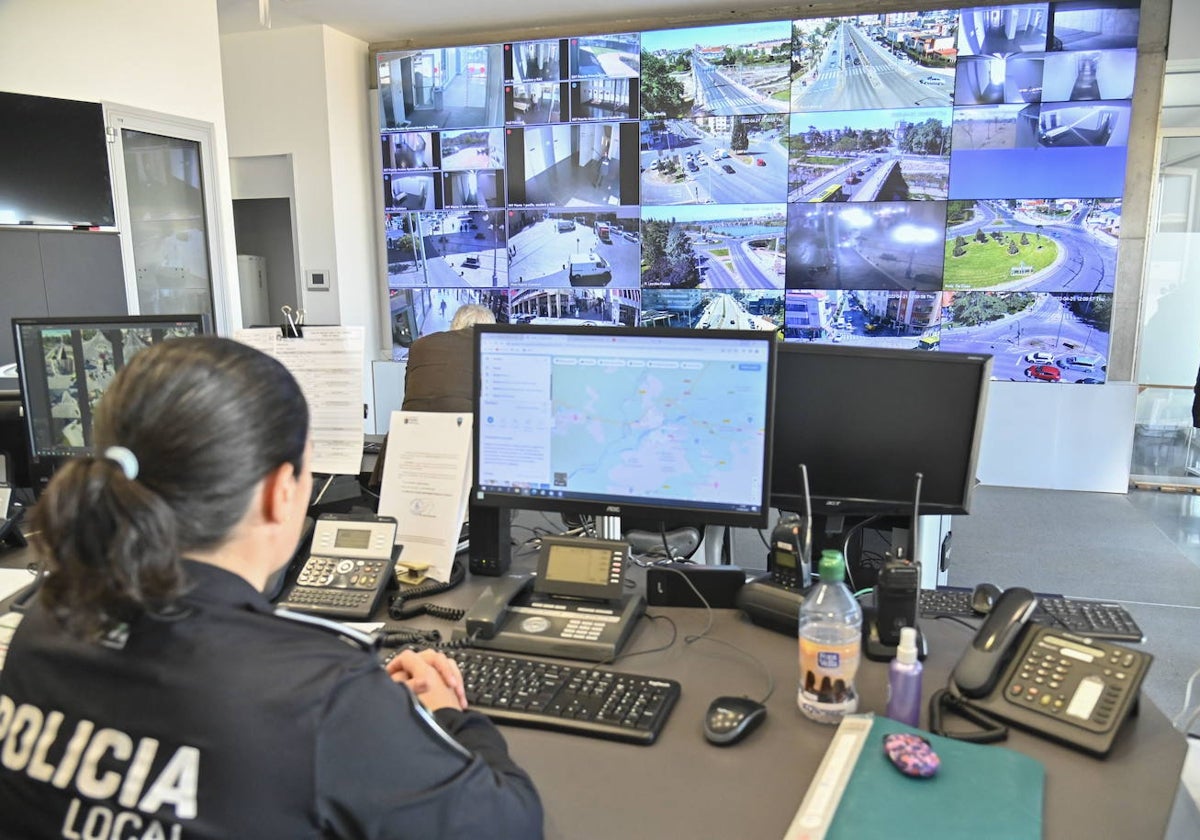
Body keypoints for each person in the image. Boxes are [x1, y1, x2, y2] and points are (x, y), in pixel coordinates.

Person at [0, 337, 542, 839]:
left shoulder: (48, 620)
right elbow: (509, 823)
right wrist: (449, 715)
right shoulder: (320, 694)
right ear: (281, 493)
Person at [401, 303, 496, 413]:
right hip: (464, 424)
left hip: (409, 423)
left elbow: (408, 388)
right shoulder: (488, 348)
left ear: (456, 322)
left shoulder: (419, 344)